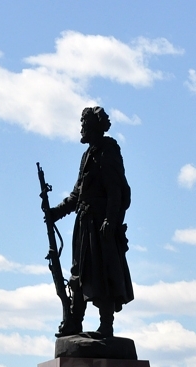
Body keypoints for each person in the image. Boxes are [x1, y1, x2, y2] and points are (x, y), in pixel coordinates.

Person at [46, 105, 133, 338]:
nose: (81, 129)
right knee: (79, 274)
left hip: (101, 225)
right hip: (84, 224)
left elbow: (116, 191)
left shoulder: (108, 151)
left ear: (93, 127)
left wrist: (110, 221)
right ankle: (75, 321)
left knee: (102, 273)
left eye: (84, 124)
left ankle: (106, 324)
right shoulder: (87, 155)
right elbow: (77, 194)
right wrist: (56, 212)